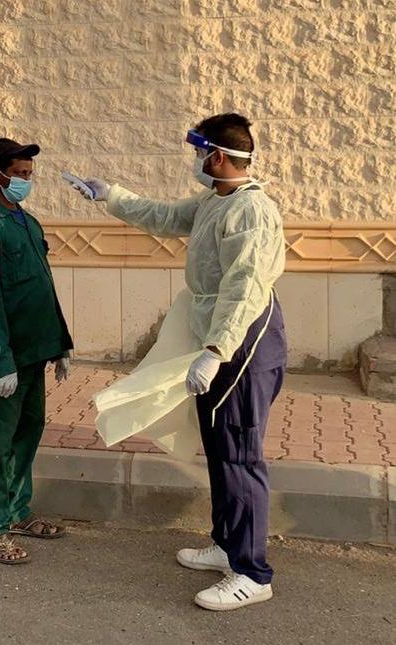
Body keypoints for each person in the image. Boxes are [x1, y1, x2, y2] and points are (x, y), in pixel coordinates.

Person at [71, 113, 287, 610]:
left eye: (198, 153)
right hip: (217, 337)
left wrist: (215, 352)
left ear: (216, 156)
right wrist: (111, 195)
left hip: (242, 342)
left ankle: (252, 573)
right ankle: (227, 545)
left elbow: (245, 289)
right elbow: (166, 218)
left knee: (239, 454)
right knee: (219, 446)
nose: (194, 161)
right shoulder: (216, 200)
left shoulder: (251, 211)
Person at [0, 138, 74, 565]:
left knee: (28, 432)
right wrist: (0, 360)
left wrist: (60, 343)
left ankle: (18, 511)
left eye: (29, 174)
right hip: (4, 360)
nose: (27, 181)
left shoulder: (25, 221)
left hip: (35, 351)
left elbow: (43, 286)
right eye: (20, 174)